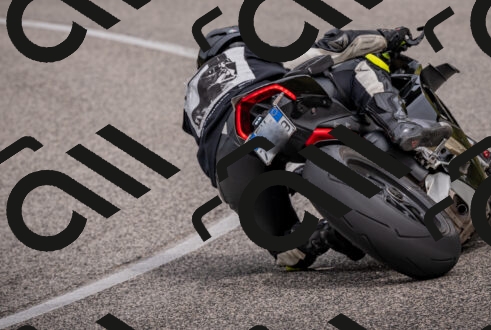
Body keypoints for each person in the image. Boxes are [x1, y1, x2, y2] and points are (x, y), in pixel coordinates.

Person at [182, 26, 452, 270]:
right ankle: (398, 124)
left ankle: (324, 236)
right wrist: (389, 37)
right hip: (269, 103)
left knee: (287, 250)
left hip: (229, 163)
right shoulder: (248, 54)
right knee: (355, 67)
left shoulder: (192, 97)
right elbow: (336, 45)